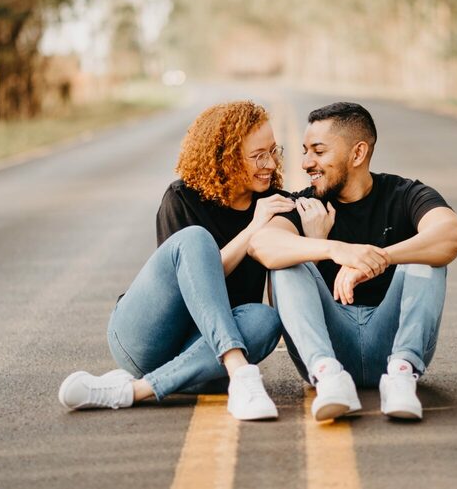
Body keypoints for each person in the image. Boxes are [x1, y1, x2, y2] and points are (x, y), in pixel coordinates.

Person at [59, 101, 295, 421]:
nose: (269, 163)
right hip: (149, 337)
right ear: (225, 158)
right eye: (258, 156)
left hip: (201, 354)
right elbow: (192, 286)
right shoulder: (182, 198)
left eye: (273, 151)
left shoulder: (273, 204)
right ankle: (240, 372)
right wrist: (254, 229)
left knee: (266, 320)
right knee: (196, 240)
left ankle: (132, 390)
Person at [249, 102, 457, 421]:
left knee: (427, 255)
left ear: (357, 154)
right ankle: (328, 377)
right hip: (331, 345)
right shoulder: (304, 205)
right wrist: (331, 249)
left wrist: (379, 258)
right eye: (305, 151)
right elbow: (263, 245)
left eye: (319, 151)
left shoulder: (405, 194)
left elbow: (454, 234)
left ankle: (401, 374)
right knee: (286, 263)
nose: (306, 162)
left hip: (391, 341)